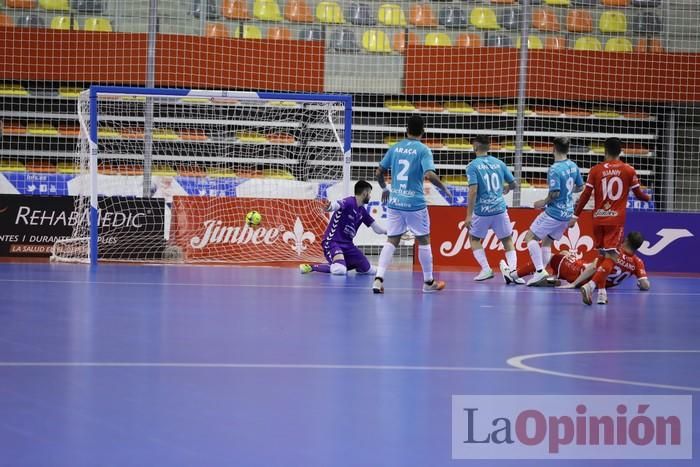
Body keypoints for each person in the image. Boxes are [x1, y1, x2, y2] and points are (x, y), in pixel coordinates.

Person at [372, 115, 451, 294]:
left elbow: (378, 172)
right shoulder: (423, 150)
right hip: (415, 204)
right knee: (424, 240)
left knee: (392, 239)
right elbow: (430, 175)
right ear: (423, 132)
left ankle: (378, 279)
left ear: (405, 130)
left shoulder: (395, 147)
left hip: (395, 202)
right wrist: (444, 187)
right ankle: (428, 282)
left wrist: (385, 188)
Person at [572, 137, 651, 305]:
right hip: (615, 220)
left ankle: (601, 293)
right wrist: (647, 197)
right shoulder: (628, 170)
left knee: (602, 256)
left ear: (605, 151)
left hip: (598, 218)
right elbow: (638, 195)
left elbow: (585, 195)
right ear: (620, 151)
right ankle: (591, 286)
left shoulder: (596, 170)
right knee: (613, 257)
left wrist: (575, 216)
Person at [504, 137, 584, 286]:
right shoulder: (573, 166)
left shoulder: (555, 169)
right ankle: (540, 272)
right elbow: (580, 187)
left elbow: (554, 193)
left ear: (554, 149)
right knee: (547, 242)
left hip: (554, 212)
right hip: (567, 213)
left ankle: (540, 272)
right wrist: (568, 193)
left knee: (530, 237)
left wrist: (543, 202)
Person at [300, 180, 385, 276]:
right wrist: (329, 207)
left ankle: (346, 264)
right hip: (333, 242)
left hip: (348, 245)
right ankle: (311, 267)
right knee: (340, 270)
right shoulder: (349, 202)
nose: (370, 196)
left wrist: (390, 233)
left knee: (371, 271)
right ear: (364, 193)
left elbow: (376, 228)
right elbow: (337, 205)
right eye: (369, 193)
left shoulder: (362, 211)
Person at [522, 232, 650, 293]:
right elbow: (645, 285)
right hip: (590, 277)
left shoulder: (615, 253)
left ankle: (515, 274)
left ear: (626, 240)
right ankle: (552, 279)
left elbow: (594, 267)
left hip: (578, 273)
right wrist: (641, 285)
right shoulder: (638, 262)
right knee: (564, 253)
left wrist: (574, 284)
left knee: (549, 258)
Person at [464, 135, 518, 281]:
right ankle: (513, 272)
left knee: (474, 239)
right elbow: (513, 184)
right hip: (500, 209)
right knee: (507, 240)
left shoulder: (472, 166)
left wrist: (469, 215)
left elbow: (473, 191)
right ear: (489, 147)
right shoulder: (499, 163)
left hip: (482, 211)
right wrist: (506, 187)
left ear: (475, 146)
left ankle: (486, 269)